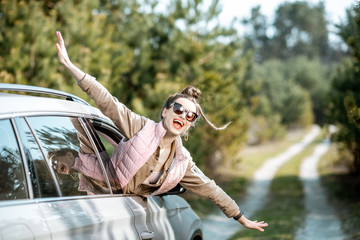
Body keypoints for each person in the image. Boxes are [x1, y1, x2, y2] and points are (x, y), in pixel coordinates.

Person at [55, 31, 268, 232]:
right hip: (86, 195)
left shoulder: (182, 163)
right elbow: (107, 102)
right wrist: (70, 66)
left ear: (190, 124)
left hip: (124, 212)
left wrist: (241, 217)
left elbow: (211, 189)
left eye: (190, 116)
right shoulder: (139, 127)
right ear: (165, 112)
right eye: (178, 109)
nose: (183, 116)